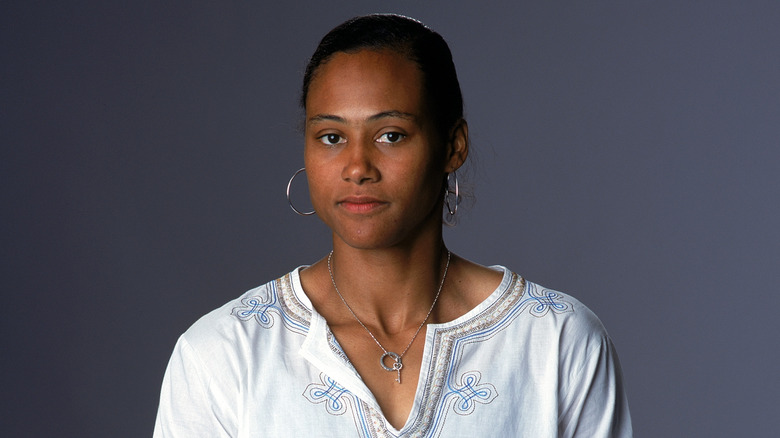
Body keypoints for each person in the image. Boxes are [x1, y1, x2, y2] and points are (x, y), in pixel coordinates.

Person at [154, 14, 632, 437]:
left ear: (453, 146)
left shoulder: (555, 343)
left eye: (390, 135)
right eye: (332, 136)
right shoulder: (224, 354)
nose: (357, 166)